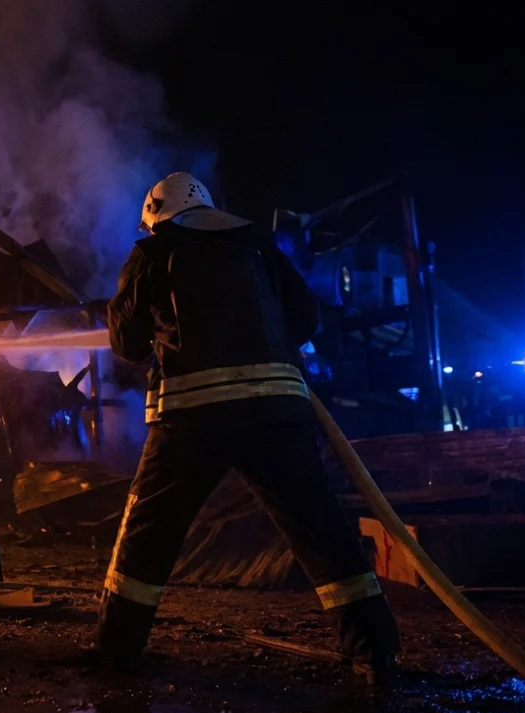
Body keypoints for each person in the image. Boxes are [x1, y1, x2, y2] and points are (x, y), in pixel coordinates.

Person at [97, 172, 400, 682]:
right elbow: (305, 318)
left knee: (148, 534)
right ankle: (376, 653)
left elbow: (126, 343)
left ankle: (116, 653)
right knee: (321, 529)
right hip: (277, 413)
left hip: (191, 418)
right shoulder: (256, 245)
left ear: (155, 214)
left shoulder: (153, 252)